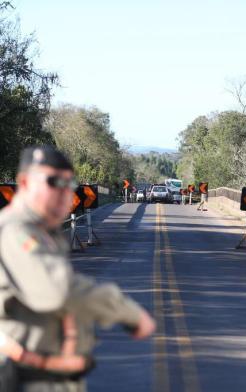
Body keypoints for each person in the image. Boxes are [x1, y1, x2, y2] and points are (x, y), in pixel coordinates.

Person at [0, 145, 155, 391]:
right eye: (53, 182)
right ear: (24, 182)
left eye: (68, 184)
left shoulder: (43, 232)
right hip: (26, 377)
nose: (63, 192)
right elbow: (58, 290)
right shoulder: (15, 232)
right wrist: (128, 312)